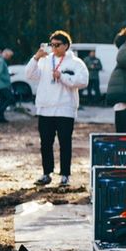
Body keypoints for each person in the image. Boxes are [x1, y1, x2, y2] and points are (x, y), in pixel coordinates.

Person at [25, 31, 88, 187]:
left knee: (65, 143)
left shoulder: (76, 62)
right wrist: (36, 57)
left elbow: (83, 81)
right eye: (51, 44)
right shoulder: (45, 60)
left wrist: (63, 77)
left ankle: (65, 175)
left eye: (57, 45)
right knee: (45, 143)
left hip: (65, 109)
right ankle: (47, 173)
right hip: (46, 108)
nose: (53, 48)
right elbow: (29, 74)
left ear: (66, 45)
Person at [0, 48, 14, 124]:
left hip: (0, 84)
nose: (9, 58)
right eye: (10, 56)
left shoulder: (0, 61)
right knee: (10, 98)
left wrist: (8, 75)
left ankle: (0, 118)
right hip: (2, 85)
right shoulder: (1, 61)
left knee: (2, 101)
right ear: (6, 54)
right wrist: (7, 78)